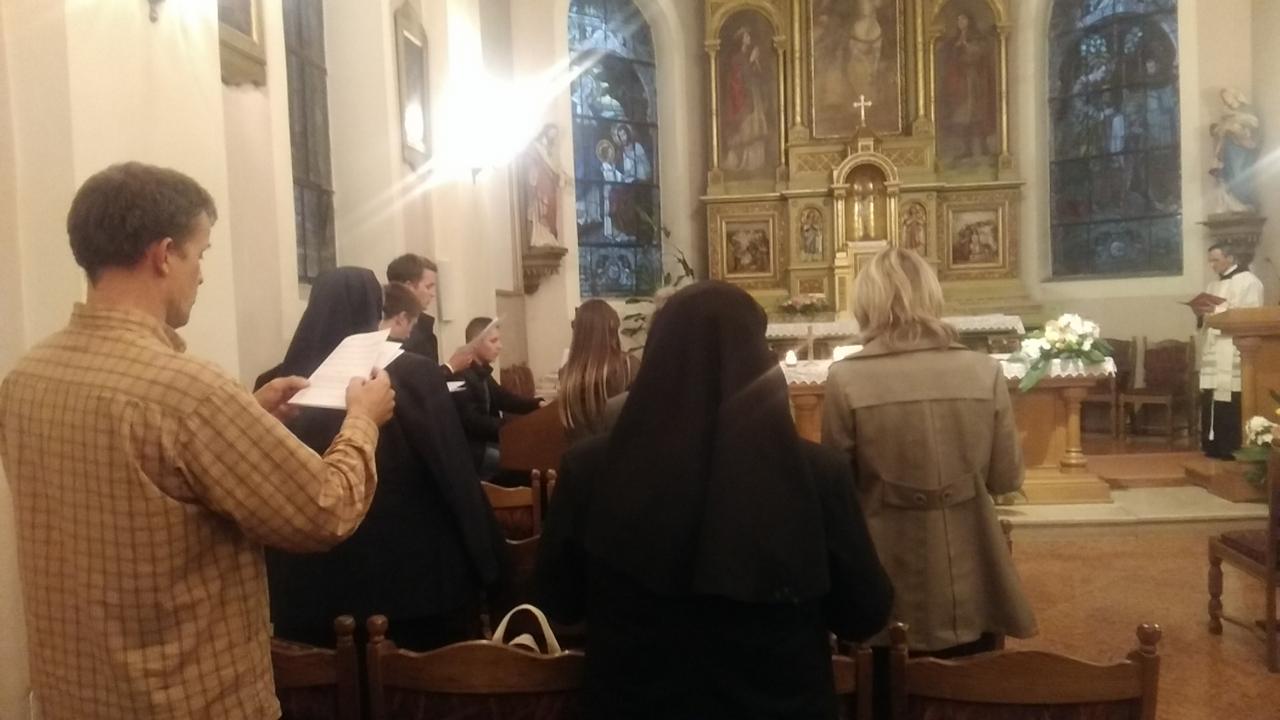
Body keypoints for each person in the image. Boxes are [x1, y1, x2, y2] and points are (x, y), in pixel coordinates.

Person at [0, 162, 395, 719]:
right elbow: (325, 508)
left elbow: (135, 484)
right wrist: (362, 420)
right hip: (186, 700)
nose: (202, 275)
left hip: (75, 698)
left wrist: (247, 417)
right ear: (164, 254)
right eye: (201, 253)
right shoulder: (188, 392)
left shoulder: (25, 379)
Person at [535, 281, 894, 720]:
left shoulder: (587, 470)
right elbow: (864, 613)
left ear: (657, 358)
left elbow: (559, 601)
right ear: (759, 361)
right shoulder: (819, 475)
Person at [265, 268, 503, 652]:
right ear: (375, 310)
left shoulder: (277, 387)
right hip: (414, 595)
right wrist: (492, 567)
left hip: (310, 600)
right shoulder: (411, 374)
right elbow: (454, 475)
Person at [822, 248, 1036, 660]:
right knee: (967, 677)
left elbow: (839, 492)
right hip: (971, 565)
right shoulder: (983, 370)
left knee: (886, 671)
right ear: (932, 296)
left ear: (866, 302)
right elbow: (1007, 478)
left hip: (883, 563)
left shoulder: (846, 378)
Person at [1196, 243, 1265, 459]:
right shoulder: (1212, 285)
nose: (1212, 265)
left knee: (1232, 397)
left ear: (1231, 258)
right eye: (1210, 260)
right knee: (1212, 397)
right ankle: (1213, 445)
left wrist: (1216, 310)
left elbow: (1251, 315)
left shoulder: (1249, 281)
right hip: (1215, 348)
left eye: (1215, 260)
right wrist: (1201, 312)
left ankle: (1232, 446)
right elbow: (1207, 318)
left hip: (1235, 349)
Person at [450, 317, 542, 474]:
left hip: (487, 443)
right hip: (474, 452)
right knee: (530, 463)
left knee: (537, 455)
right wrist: (516, 427)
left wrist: (537, 404)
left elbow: (504, 399)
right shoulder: (460, 375)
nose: (500, 346)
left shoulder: (481, 371)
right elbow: (474, 422)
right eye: (493, 341)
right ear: (475, 343)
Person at [558, 300, 637, 442]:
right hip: (621, 450)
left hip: (581, 453)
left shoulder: (566, 374)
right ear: (611, 331)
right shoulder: (629, 365)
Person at [385, 253, 473, 372]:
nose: (433, 294)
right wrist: (450, 367)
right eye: (428, 287)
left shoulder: (423, 326)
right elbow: (415, 377)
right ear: (408, 287)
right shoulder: (394, 329)